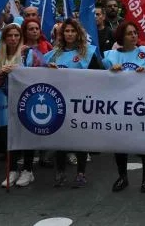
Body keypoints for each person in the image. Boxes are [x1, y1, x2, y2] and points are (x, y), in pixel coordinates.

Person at [43, 19, 103, 188]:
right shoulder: (52, 55)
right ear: (61, 34)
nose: (69, 34)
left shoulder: (88, 53)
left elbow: (100, 76)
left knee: (79, 138)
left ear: (78, 33)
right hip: (59, 103)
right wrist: (48, 71)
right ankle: (60, 172)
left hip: (80, 102)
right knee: (60, 139)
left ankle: (81, 173)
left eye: (72, 31)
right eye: (66, 31)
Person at [103, 21, 145, 193]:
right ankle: (122, 177)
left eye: (135, 32)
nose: (133, 35)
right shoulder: (111, 56)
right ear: (121, 36)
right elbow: (101, 79)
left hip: (143, 106)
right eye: (129, 33)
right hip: (120, 107)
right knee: (120, 143)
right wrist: (111, 72)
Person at [0, 23, 40, 187]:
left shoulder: (29, 54)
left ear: (21, 37)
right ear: (4, 38)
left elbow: (41, 74)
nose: (13, 38)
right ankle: (12, 170)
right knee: (11, 136)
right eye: (9, 35)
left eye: (16, 35)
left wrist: (21, 70)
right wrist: (1, 72)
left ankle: (28, 170)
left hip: (28, 102)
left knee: (27, 135)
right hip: (8, 103)